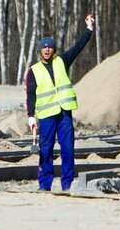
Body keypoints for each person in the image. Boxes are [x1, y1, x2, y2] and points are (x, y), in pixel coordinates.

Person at [26, 13, 96, 191]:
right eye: (44, 47)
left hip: (64, 113)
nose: (47, 50)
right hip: (47, 116)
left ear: (54, 49)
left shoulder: (62, 61)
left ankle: (67, 184)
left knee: (67, 150)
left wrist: (89, 30)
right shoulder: (33, 71)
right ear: (40, 51)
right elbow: (31, 94)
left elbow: (78, 47)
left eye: (50, 47)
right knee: (46, 150)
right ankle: (45, 184)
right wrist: (30, 116)